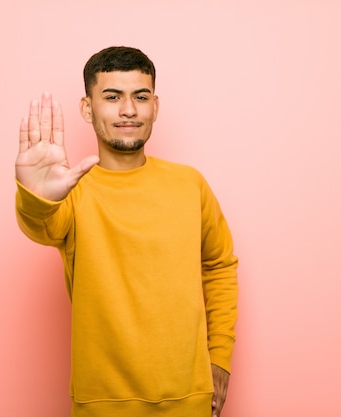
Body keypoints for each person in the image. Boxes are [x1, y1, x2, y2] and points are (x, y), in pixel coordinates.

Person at [15, 46, 238, 417]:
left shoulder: (190, 184)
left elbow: (219, 266)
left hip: (190, 397)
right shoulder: (73, 190)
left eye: (140, 96)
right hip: (101, 403)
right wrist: (38, 197)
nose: (129, 110)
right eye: (112, 97)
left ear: (155, 106)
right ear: (87, 108)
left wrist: (221, 356)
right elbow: (41, 227)